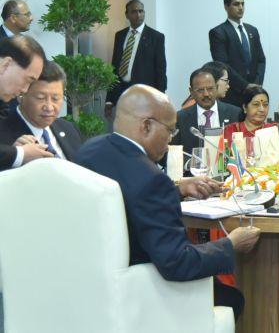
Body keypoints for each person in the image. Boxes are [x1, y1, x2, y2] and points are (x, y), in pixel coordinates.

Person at [75, 84, 261, 321]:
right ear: (146, 125)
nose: (170, 139)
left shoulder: (90, 150)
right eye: (170, 131)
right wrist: (230, 244)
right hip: (141, 289)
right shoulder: (150, 178)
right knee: (233, 298)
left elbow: (125, 198)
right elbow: (177, 262)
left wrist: (178, 189)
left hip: (93, 281)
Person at [0, 60, 81, 161]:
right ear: (21, 95)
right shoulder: (3, 135)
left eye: (55, 98)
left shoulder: (69, 128)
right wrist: (16, 157)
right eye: (40, 97)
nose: (49, 107)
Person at [105, 0, 167, 117]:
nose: (138, 15)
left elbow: (161, 69)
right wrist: (109, 99)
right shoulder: (120, 36)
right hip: (122, 93)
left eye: (141, 11)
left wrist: (160, 98)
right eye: (134, 12)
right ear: (127, 15)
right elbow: (114, 68)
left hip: (145, 95)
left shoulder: (156, 37)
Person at [0, 35, 52, 171]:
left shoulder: (3, 102)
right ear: (5, 65)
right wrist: (21, 154)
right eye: (28, 80)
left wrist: (16, 146)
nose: (25, 89)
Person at [209, 0, 266, 108]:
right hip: (233, 93)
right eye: (236, 4)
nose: (240, 8)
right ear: (226, 7)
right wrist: (245, 86)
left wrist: (256, 84)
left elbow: (261, 60)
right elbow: (223, 65)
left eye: (242, 4)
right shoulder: (218, 32)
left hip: (254, 93)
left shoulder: (252, 30)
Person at [171, 69, 242, 158]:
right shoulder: (180, 118)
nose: (206, 94)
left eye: (210, 89)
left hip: (227, 169)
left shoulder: (235, 114)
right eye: (200, 90)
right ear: (191, 91)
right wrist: (188, 164)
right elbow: (169, 152)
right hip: (193, 171)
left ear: (216, 87)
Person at [0, 0, 34, 119]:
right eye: (27, 14)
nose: (31, 18)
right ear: (13, 18)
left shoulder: (28, 43)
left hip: (24, 112)